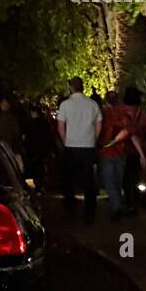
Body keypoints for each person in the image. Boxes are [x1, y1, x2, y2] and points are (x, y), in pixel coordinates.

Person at [57, 77, 102, 223]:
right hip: (88, 146)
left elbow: (61, 126)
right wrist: (93, 138)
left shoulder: (65, 105)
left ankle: (69, 211)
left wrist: (65, 140)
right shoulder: (93, 104)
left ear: (71, 87)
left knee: (68, 180)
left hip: (71, 145)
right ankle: (89, 213)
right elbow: (99, 124)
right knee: (88, 180)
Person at [97, 89, 131, 219]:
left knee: (109, 181)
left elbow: (99, 130)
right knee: (117, 180)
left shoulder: (104, 113)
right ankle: (117, 205)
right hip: (121, 151)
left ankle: (116, 206)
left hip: (107, 151)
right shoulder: (123, 113)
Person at [121, 86, 146, 216]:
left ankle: (129, 202)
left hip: (122, 148)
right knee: (134, 176)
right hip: (137, 149)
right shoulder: (141, 113)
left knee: (124, 177)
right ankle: (134, 202)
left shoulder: (121, 112)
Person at [0, 98, 24, 169]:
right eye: (3, 104)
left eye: (5, 104)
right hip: (4, 149)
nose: (3, 106)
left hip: (2, 148)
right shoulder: (9, 119)